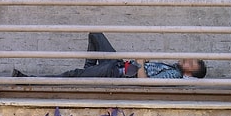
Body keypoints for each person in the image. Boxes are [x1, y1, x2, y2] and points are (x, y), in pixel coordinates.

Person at [13, 32, 207, 79]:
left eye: (191, 63)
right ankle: (90, 71)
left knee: (73, 75)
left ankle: (27, 79)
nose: (187, 60)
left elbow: (144, 84)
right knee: (96, 35)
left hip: (118, 74)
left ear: (190, 73)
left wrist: (140, 62)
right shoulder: (172, 67)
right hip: (119, 65)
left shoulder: (175, 76)